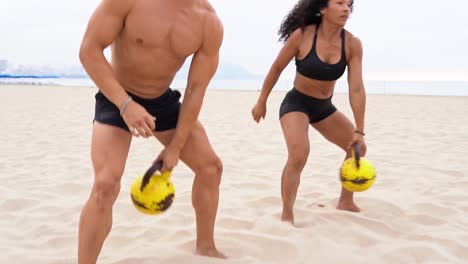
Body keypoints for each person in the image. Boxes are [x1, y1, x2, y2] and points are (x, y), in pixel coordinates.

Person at [77, 0, 225, 262]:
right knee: (105, 184)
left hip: (161, 100)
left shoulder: (208, 22)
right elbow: (89, 51)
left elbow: (195, 90)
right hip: (116, 96)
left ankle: (205, 247)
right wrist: (125, 104)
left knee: (211, 168)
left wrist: (175, 148)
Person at [251, 0, 367, 225]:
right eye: (340, 3)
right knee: (299, 154)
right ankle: (287, 214)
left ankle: (345, 201)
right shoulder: (302, 36)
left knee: (357, 148)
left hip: (324, 108)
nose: (346, 9)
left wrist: (359, 130)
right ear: (323, 8)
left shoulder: (352, 44)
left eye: (349, 4)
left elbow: (356, 88)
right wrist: (262, 100)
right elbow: (276, 68)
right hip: (297, 104)